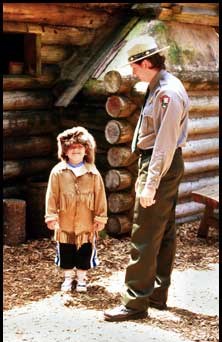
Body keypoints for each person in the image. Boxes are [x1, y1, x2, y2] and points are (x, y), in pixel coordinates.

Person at [104, 34, 190, 321]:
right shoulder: (157, 86)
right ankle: (155, 294)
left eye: (135, 66)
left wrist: (150, 184)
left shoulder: (168, 93)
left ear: (148, 62)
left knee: (144, 233)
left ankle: (134, 303)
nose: (132, 72)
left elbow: (164, 145)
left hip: (159, 164)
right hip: (161, 162)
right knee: (162, 230)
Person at [45, 126, 107, 293]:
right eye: (72, 149)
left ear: (86, 151)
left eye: (80, 148)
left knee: (84, 250)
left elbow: (100, 196)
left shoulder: (93, 173)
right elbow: (51, 195)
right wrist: (51, 216)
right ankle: (67, 278)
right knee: (66, 250)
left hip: (86, 223)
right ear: (65, 151)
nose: (76, 151)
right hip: (65, 222)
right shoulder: (57, 172)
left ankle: (81, 279)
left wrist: (100, 218)